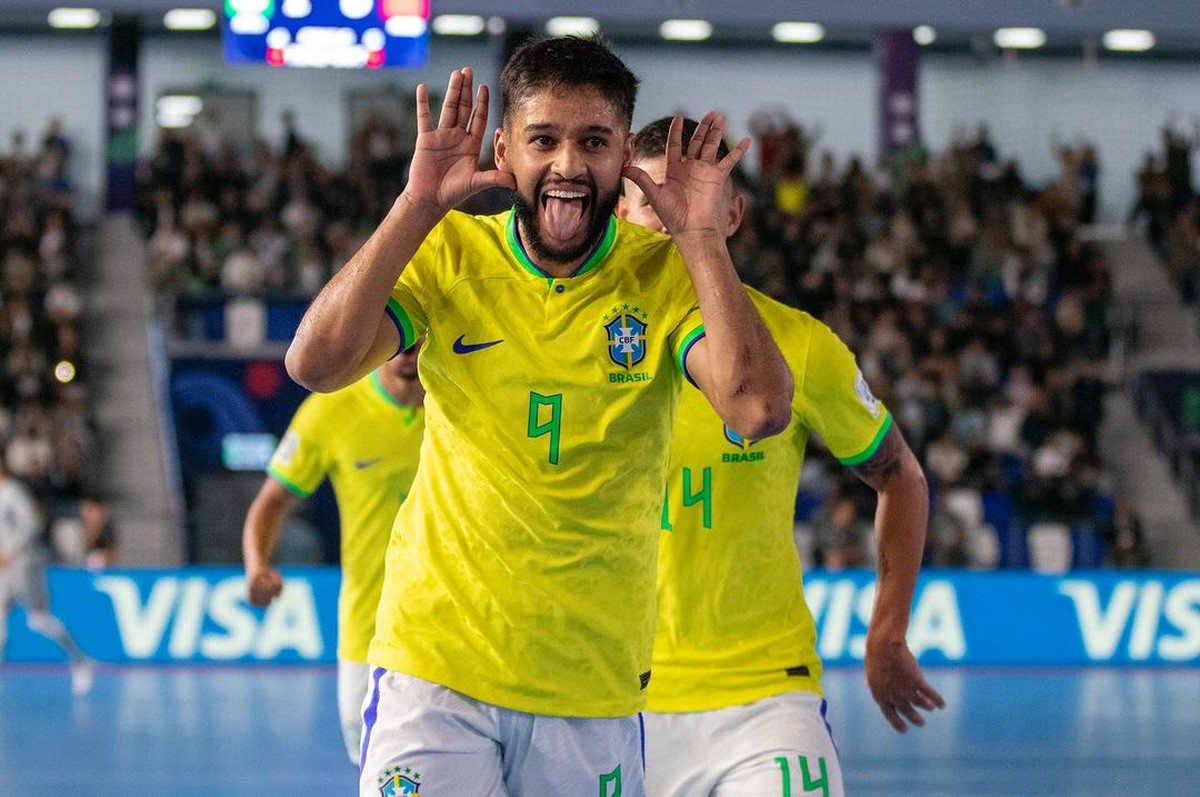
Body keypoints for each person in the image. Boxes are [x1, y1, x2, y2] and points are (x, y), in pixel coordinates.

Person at [285, 35, 793, 797]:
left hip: (589, 690)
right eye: (543, 139)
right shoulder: (450, 249)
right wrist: (415, 205)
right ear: (503, 149)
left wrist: (700, 239)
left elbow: (757, 410)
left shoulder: (662, 276)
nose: (566, 164)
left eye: (593, 141)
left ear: (625, 154)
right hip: (437, 667)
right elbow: (314, 364)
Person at [620, 116, 944, 797]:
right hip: (612, 701)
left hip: (767, 697)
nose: (676, 223)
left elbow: (901, 478)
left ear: (730, 214)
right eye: (655, 203)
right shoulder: (570, 339)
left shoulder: (798, 345)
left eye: (696, 204)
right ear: (621, 208)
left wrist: (886, 632)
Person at [242, 346, 424, 765]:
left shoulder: (460, 398)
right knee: (376, 772)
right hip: (370, 630)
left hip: (458, 627)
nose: (409, 349)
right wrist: (256, 567)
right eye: (400, 337)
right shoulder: (331, 410)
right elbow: (271, 501)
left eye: (418, 335)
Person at [0, 457, 92, 695]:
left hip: (25, 564)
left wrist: (12, 552)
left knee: (38, 619)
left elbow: (30, 526)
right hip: (3, 569)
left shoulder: (14, 494)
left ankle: (79, 660)